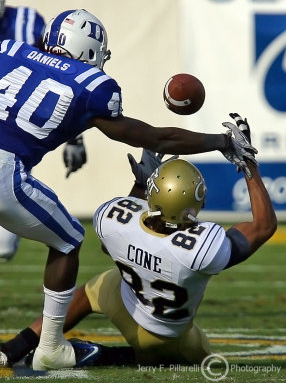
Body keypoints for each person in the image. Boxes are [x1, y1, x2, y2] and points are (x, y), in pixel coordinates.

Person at [0, 115, 276, 368]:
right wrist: (247, 162)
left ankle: (19, 346)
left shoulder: (114, 217)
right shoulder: (204, 245)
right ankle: (109, 357)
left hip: (123, 301)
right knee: (199, 358)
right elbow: (263, 226)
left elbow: (112, 243)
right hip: (164, 334)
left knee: (93, 289)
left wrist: (141, 185)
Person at [0, 0, 86, 261]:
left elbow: (58, 77)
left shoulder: (26, 22)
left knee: (3, 248)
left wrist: (75, 137)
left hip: (12, 140)